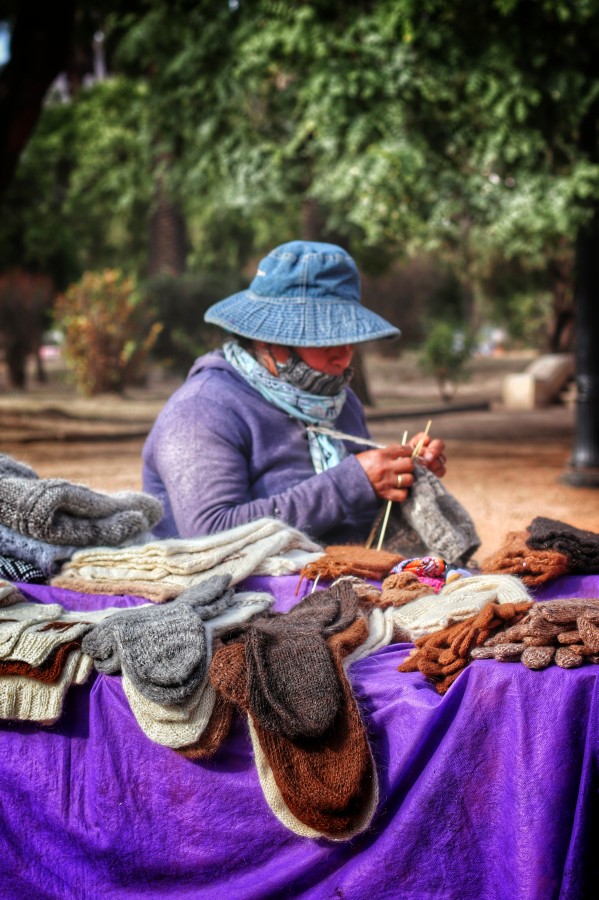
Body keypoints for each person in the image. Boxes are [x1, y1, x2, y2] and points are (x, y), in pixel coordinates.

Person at [142, 240, 446, 544]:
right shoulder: (201, 410)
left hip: (336, 575)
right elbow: (210, 534)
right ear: (267, 341)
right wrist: (352, 482)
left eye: (349, 339)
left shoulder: (338, 401)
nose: (343, 357)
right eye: (325, 341)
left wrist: (401, 475)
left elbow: (353, 516)